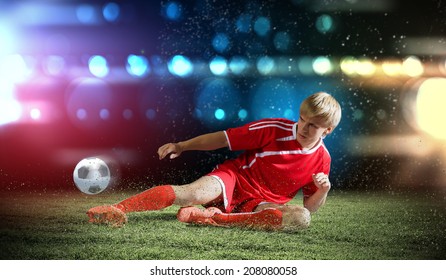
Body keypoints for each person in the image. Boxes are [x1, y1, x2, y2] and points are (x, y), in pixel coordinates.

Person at [87, 92, 342, 231]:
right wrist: (182, 145)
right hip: (233, 180)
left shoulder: (322, 159)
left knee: (301, 218)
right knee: (191, 194)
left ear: (327, 130)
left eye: (313, 125)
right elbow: (223, 139)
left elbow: (311, 206)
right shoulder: (274, 128)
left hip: (262, 203)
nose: (304, 127)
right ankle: (116, 209)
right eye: (302, 119)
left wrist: (323, 190)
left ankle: (214, 218)